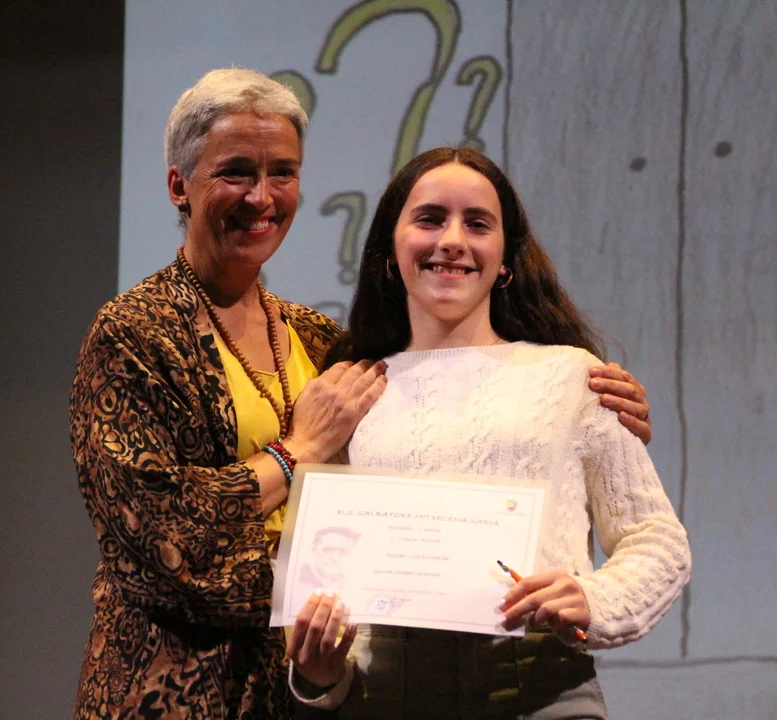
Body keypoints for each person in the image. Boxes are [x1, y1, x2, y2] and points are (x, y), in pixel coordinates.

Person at [70, 67, 653, 719]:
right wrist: (296, 453)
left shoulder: (321, 341)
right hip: (177, 691)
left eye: (283, 172)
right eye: (236, 172)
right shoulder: (135, 334)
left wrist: (594, 414)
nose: (262, 196)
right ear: (180, 185)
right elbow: (156, 538)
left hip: (301, 691)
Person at [287, 148, 691, 719]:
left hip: (542, 689)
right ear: (389, 251)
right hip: (387, 693)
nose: (452, 240)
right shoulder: (348, 392)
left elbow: (656, 538)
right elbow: (319, 579)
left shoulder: (572, 376)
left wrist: (594, 598)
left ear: (505, 259)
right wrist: (319, 673)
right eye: (430, 219)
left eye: (477, 224)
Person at [292, 526, 362, 606]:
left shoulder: (352, 589)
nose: (335, 558)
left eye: (343, 552)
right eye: (328, 550)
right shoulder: (294, 583)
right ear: (313, 550)